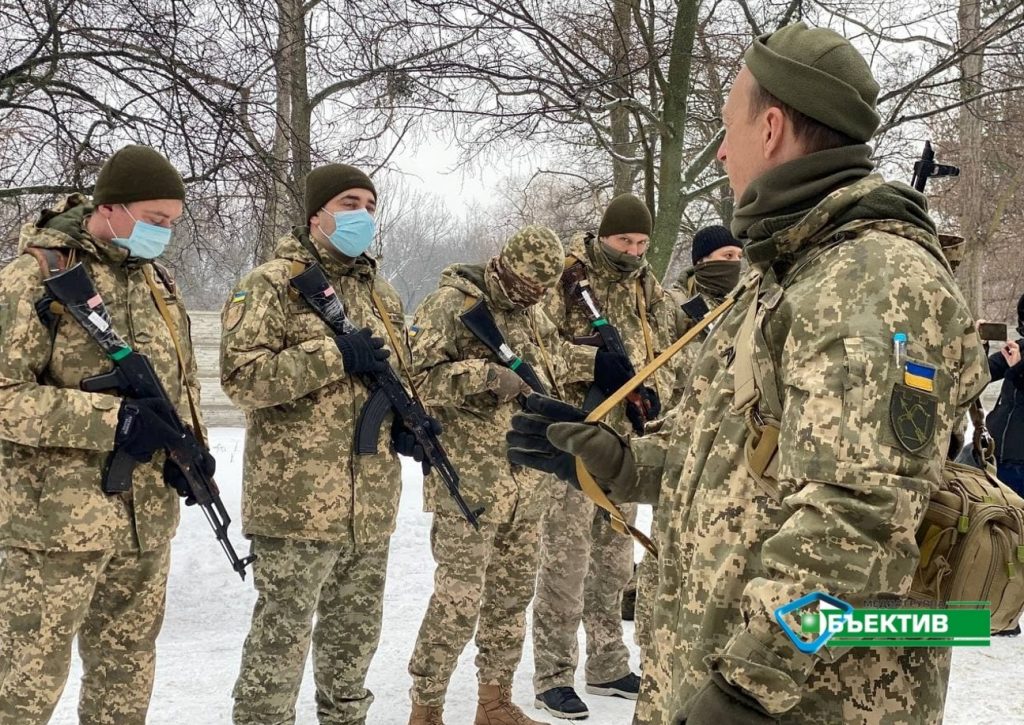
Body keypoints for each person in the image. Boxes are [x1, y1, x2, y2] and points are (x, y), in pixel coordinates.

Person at [508, 22, 989, 725]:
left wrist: (748, 688)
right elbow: (728, 461)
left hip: (806, 701)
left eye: (725, 130)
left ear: (770, 130)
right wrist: (615, 461)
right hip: (710, 673)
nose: (723, 152)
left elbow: (858, 514)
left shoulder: (869, 278)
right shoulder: (782, 275)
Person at [0, 145, 201, 724]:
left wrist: (189, 451)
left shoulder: (156, 283)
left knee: (126, 674)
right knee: (26, 683)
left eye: (172, 223)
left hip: (145, 522)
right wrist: (115, 423)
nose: (164, 233)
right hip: (56, 527)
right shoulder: (36, 276)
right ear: (110, 208)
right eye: (156, 219)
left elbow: (178, 385)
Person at [224, 163, 419, 724]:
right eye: (350, 203)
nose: (363, 215)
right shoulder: (270, 284)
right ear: (317, 215)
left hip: (370, 502)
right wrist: (332, 355)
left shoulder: (382, 293)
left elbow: (398, 376)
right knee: (281, 640)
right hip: (297, 502)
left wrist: (407, 422)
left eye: (370, 205)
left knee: (354, 639)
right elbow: (243, 379)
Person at [532, 194, 688, 719]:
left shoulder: (651, 290)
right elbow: (534, 345)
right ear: (604, 236)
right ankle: (553, 675)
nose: (634, 251)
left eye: (642, 243)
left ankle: (607, 663)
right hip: (579, 437)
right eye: (625, 241)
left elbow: (675, 349)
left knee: (614, 562)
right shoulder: (568, 280)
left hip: (631, 447)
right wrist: (593, 362)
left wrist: (664, 395)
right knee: (565, 560)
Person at [405, 226, 569, 725]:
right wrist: (483, 375)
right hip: (470, 485)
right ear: (503, 265)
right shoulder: (450, 305)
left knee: (510, 601)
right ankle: (426, 707)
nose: (532, 296)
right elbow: (415, 379)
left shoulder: (535, 313)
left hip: (528, 485)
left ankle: (494, 703)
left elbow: (553, 370)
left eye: (542, 289)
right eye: (525, 284)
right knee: (458, 601)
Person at [986, 293, 1024, 495]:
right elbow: (980, 374)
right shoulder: (1018, 348)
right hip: (995, 453)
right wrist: (977, 346)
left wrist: (1017, 369)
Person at [673, 225, 744, 302]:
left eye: (740, 256)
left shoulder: (748, 300)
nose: (737, 261)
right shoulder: (673, 303)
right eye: (729, 255)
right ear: (701, 261)